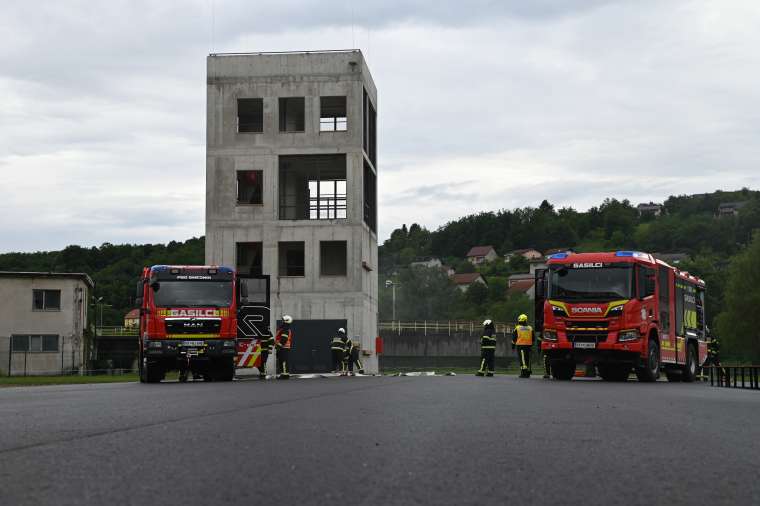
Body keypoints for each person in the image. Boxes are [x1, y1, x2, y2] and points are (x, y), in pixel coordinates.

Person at [511, 314, 534, 378]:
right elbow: (533, 338)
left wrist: (513, 346)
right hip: (529, 346)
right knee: (527, 359)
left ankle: (524, 373)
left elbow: (514, 338)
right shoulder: (530, 328)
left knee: (522, 360)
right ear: (526, 320)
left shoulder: (517, 328)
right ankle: (525, 371)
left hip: (521, 346)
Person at [275, 315, 293, 379]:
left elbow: (284, 339)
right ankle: (283, 374)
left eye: (283, 320)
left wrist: (278, 346)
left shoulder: (285, 329)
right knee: (281, 361)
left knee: (283, 361)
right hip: (283, 347)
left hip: (284, 347)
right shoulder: (284, 328)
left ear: (286, 321)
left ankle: (285, 374)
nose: (282, 321)